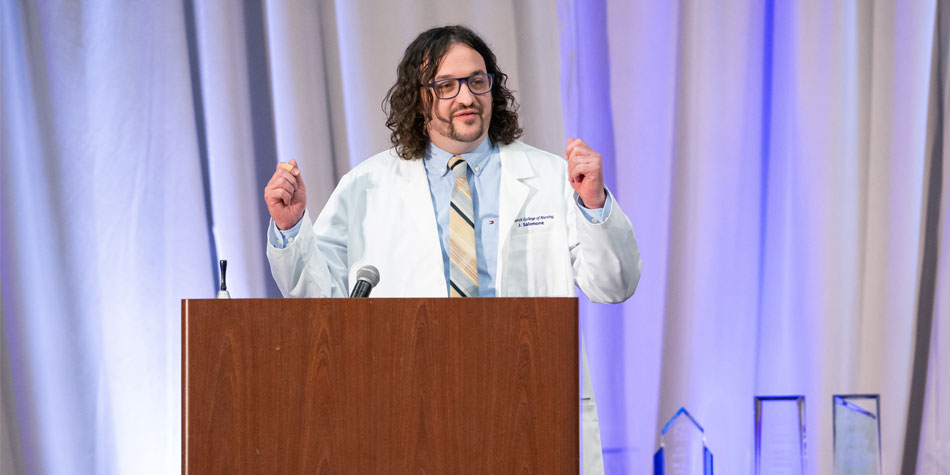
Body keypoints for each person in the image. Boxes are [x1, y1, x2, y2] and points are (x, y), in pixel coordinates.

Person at [263, 25, 641, 474]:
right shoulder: (368, 187)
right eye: (447, 86)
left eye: (478, 81)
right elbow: (319, 304)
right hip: (413, 406)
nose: (467, 97)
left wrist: (594, 205)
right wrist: (290, 229)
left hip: (525, 398)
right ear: (420, 97)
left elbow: (614, 284)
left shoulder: (549, 177)